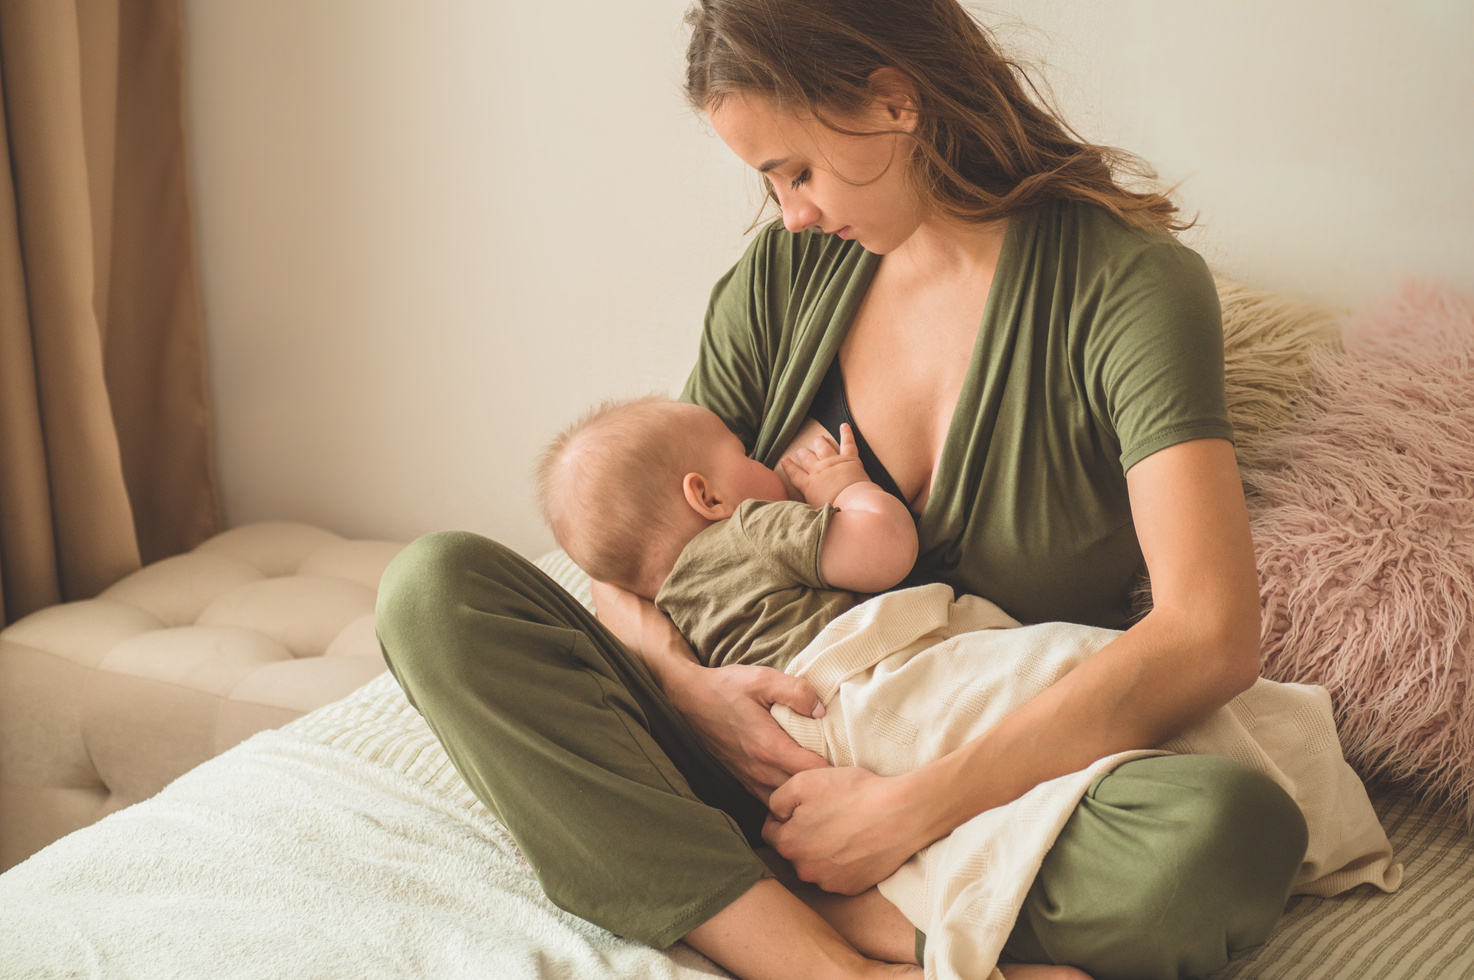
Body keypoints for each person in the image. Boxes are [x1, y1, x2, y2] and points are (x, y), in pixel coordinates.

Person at [374, 2, 1311, 978]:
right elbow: (640, 550)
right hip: (753, 761)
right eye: (769, 182)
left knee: (1223, 836)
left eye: (796, 170)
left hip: (989, 787)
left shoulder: (1129, 287)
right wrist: (690, 692)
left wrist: (906, 808)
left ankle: (747, 895)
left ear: (893, 104)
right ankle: (829, 960)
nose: (791, 212)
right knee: (436, 586)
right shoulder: (787, 273)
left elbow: (1209, 630)